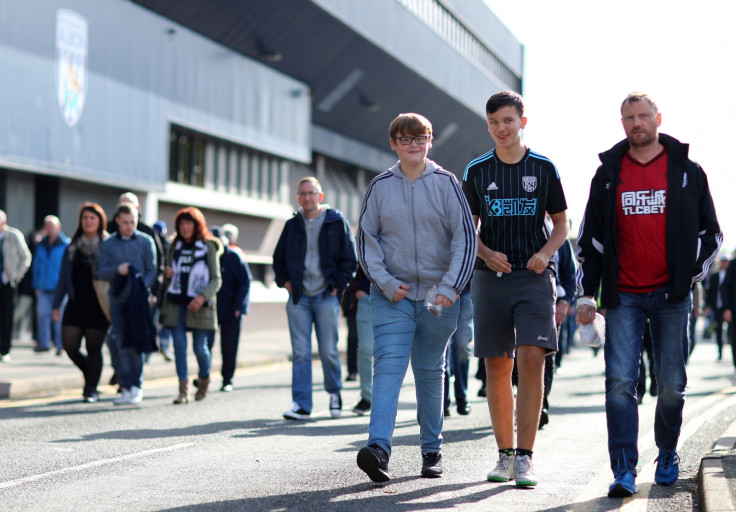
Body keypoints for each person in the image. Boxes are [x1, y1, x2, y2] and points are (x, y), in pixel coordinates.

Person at [576, 92, 722, 497]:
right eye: (629, 117)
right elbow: (590, 241)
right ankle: (623, 469)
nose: (636, 123)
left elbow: (711, 236)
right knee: (621, 381)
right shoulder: (607, 174)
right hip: (622, 296)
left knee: (672, 382)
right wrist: (587, 294)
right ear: (622, 122)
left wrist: (686, 276)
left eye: (643, 116)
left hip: (671, 296)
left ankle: (668, 451)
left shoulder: (687, 170)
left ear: (658, 118)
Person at [356, 113, 476, 482]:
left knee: (429, 372)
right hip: (393, 296)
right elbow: (366, 241)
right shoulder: (380, 186)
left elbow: (465, 238)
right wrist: (387, 283)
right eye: (405, 139)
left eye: (420, 138)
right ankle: (378, 448)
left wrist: (450, 287)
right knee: (388, 366)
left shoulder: (447, 183)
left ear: (430, 140)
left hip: (439, 299)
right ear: (393, 143)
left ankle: (431, 450)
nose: (413, 144)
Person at [462, 91, 568, 487]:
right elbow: (467, 230)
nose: (501, 128)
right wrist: (486, 254)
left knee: (531, 361)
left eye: (508, 120)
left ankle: (526, 458)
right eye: (493, 122)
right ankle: (503, 455)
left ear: (522, 121)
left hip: (533, 277)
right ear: (487, 125)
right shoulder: (476, 171)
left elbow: (561, 224)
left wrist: (545, 254)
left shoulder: (542, 168)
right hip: (491, 277)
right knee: (496, 365)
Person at [273, 177, 357, 421]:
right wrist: (286, 283)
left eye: (311, 193)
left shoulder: (335, 221)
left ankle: (334, 393)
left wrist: (337, 286)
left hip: (326, 296)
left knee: (328, 350)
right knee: (300, 352)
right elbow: (278, 259)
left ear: (320, 196)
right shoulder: (292, 225)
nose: (307, 197)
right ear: (298, 198)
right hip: (299, 298)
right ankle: (301, 404)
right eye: (302, 194)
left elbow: (349, 260)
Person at [98, 204, 157, 405]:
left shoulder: (145, 241)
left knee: (137, 344)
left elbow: (152, 270)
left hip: (138, 300)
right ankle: (124, 385)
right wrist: (118, 270)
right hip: (117, 299)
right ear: (117, 221)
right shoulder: (107, 244)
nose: (130, 226)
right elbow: (101, 271)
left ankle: (136, 386)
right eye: (125, 222)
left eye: (133, 222)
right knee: (120, 343)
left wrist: (143, 287)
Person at [162, 208, 222, 403]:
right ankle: (183, 391)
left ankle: (204, 378)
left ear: (197, 226)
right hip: (176, 302)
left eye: (189, 223)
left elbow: (216, 279)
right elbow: (167, 276)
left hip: (200, 304)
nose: (185, 227)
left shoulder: (208, 246)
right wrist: (167, 274)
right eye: (182, 223)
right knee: (179, 346)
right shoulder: (174, 246)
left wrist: (202, 297)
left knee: (199, 348)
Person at [53, 203, 110, 402]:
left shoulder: (108, 245)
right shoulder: (72, 246)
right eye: (85, 218)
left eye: (92, 218)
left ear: (99, 221)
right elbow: (63, 278)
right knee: (69, 345)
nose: (88, 221)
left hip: (99, 305)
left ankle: (91, 388)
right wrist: (56, 304)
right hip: (75, 303)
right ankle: (90, 373)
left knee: (94, 348)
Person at [205, 224, 251, 392]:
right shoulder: (205, 257)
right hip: (210, 308)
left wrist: (240, 306)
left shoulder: (233, 257)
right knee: (205, 345)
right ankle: (204, 376)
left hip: (231, 309)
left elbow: (245, 282)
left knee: (229, 346)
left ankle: (227, 379)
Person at [32, 215, 70, 355]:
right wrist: (35, 284)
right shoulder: (41, 245)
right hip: (43, 286)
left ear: (58, 227)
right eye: (46, 226)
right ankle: (44, 343)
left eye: (51, 226)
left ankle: (61, 346)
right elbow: (36, 265)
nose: (49, 229)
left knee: (59, 318)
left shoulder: (66, 244)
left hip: (59, 287)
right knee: (42, 315)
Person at [0, 209, 32, 362]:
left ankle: (5, 350)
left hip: (8, 282)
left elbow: (26, 257)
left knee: (6, 317)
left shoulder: (13, 235)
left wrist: (16, 276)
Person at [443, 286, 473, 417]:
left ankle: (462, 397)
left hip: (464, 294)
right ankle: (443, 402)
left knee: (462, 346)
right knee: (443, 351)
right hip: (440, 294)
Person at [348, 266, 373, 415]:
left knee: (388, 351)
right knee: (364, 348)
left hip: (395, 300)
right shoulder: (363, 241)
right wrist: (357, 291)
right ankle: (367, 397)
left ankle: (385, 399)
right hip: (366, 299)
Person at [152, 220, 173, 361]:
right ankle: (163, 346)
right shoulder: (169, 246)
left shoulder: (153, 243)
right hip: (164, 290)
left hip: (156, 289)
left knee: (153, 319)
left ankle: (152, 347)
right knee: (165, 319)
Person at [704, 255, 730, 360]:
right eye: (723, 261)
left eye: (726, 261)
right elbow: (710, 293)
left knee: (730, 331)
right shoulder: (715, 277)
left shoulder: (731, 275)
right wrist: (708, 306)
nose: (725, 264)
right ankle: (720, 351)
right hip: (717, 306)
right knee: (718, 329)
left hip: (728, 307)